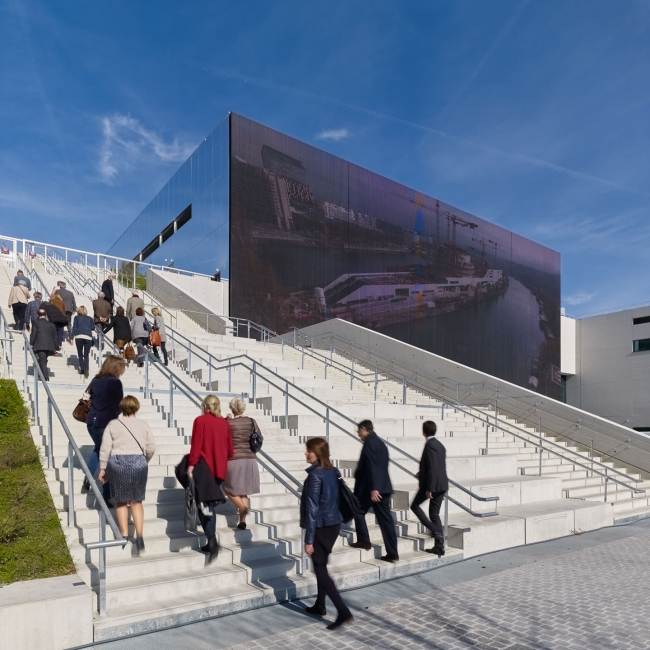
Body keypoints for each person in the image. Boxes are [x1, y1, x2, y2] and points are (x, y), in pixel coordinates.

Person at [301, 437, 354, 630]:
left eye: (309, 450)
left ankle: (342, 611)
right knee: (321, 565)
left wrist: (309, 539)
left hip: (322, 526)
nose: (306, 453)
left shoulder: (315, 475)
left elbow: (313, 509)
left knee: (320, 569)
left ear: (317, 453)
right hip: (334, 524)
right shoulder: (333, 471)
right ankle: (320, 604)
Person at [98, 396, 155, 554]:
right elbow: (151, 447)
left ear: (121, 407)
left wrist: (103, 468)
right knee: (136, 501)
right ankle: (140, 535)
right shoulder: (143, 425)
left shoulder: (113, 424)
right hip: (138, 462)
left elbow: (105, 448)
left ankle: (123, 534)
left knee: (121, 501)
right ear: (136, 407)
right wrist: (144, 460)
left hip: (118, 463)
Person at [188, 395, 234, 564]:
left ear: (205, 406)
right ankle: (210, 541)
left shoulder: (201, 421)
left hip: (204, 469)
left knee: (204, 506)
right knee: (207, 505)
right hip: (219, 470)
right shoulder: (224, 423)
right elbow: (230, 451)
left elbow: (196, 445)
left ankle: (212, 542)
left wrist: (191, 465)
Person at [349, 420, 399, 563]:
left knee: (359, 511)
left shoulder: (370, 443)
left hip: (372, 490)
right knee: (385, 521)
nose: (358, 433)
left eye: (359, 430)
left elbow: (372, 466)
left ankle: (366, 541)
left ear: (364, 429)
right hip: (382, 487)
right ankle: (391, 551)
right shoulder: (380, 442)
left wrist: (374, 488)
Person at [83, 355, 126, 501]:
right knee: (108, 458)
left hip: (91, 421)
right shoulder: (115, 382)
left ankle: (88, 477)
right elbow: (120, 404)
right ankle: (106, 495)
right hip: (106, 422)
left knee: (98, 449)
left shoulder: (95, 380)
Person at [411, 421, 449, 557]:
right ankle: (439, 546)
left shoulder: (429, 445)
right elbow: (435, 465)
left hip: (433, 485)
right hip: (442, 484)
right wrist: (421, 472)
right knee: (434, 514)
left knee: (414, 506)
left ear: (423, 431)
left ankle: (433, 530)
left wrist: (430, 488)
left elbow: (433, 467)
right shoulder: (440, 445)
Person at [223, 398, 262, 529]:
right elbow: (260, 437)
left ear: (232, 409)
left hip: (234, 460)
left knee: (227, 488)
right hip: (250, 459)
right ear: (243, 408)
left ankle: (242, 508)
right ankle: (242, 521)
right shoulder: (252, 421)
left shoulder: (229, 424)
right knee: (243, 491)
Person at [29, 309, 57, 380]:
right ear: (46, 315)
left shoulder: (36, 322)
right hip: (49, 346)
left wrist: (31, 343)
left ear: (37, 315)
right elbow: (55, 336)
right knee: (43, 360)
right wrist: (56, 347)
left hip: (40, 345)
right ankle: (42, 375)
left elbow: (33, 334)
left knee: (42, 360)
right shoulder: (52, 324)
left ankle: (45, 377)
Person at [72, 306, 95, 378]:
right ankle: (86, 368)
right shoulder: (90, 318)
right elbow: (93, 328)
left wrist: (71, 337)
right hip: (88, 336)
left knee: (80, 353)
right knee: (86, 354)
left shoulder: (76, 318)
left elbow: (74, 327)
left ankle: (82, 369)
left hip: (79, 336)